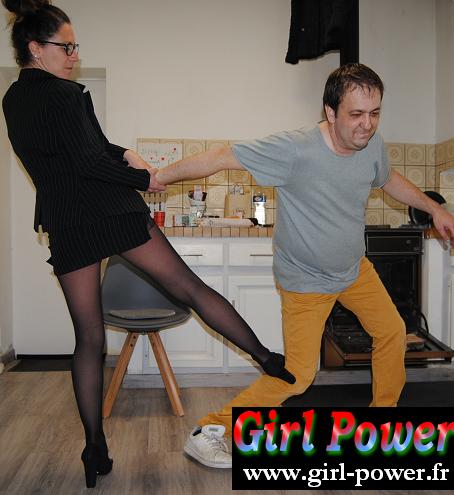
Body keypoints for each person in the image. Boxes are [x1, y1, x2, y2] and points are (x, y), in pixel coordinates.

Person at [1, 0, 294, 488]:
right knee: (189, 288)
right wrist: (144, 178)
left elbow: (82, 154)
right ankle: (267, 358)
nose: (74, 55)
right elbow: (91, 160)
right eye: (66, 47)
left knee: (88, 338)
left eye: (75, 47)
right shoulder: (68, 94)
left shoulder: (12, 99)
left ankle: (94, 446)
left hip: (67, 220)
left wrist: (127, 154)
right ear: (36, 48)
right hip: (110, 211)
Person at [154, 63, 454, 469]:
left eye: (375, 113)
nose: (367, 125)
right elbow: (222, 156)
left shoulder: (372, 144)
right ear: (330, 113)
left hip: (353, 270)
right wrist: (158, 175)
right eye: (356, 114)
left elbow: (388, 179)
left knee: (391, 332)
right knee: (299, 375)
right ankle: (211, 429)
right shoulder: (295, 149)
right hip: (306, 282)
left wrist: (434, 208)